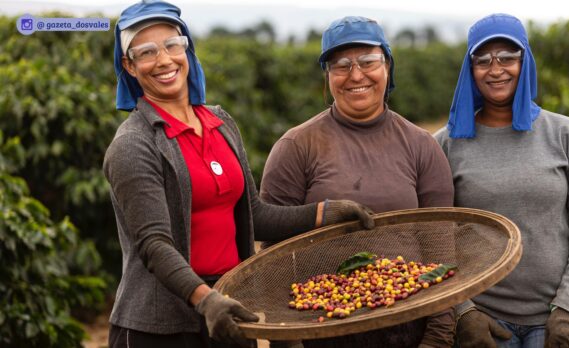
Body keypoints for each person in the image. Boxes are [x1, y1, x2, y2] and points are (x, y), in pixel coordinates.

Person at [104, 2, 374, 347]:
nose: (164, 60)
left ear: (186, 47)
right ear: (129, 65)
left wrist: (327, 212)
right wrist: (205, 299)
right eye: (146, 52)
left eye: (172, 44)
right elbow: (154, 245)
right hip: (164, 328)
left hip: (229, 311)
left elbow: (255, 215)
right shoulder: (134, 144)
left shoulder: (220, 123)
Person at [259, 16, 456, 348]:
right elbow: (272, 255)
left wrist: (438, 336)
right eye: (341, 65)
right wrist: (286, 338)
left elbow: (440, 249)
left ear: (387, 67)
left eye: (368, 61)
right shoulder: (297, 147)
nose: (356, 75)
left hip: (409, 325)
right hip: (323, 327)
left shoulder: (421, 146)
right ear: (327, 76)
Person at [434, 13, 569, 348]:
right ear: (470, 70)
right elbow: (434, 235)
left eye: (508, 56)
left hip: (554, 318)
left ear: (525, 61)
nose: (495, 68)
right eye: (482, 59)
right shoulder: (445, 145)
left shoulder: (568, 136)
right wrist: (463, 311)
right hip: (485, 323)